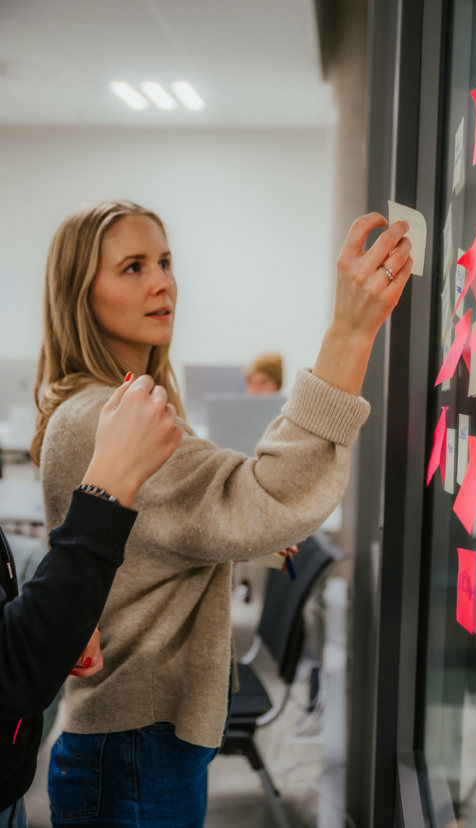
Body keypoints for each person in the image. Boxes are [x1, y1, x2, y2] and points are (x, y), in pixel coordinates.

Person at [31, 200, 412, 827]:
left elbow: (138, 542)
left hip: (144, 739)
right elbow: (262, 495)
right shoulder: (100, 418)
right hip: (134, 745)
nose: (162, 282)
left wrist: (242, 537)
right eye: (132, 267)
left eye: (165, 261)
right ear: (80, 294)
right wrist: (349, 332)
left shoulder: (117, 403)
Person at [0, 374, 182, 828]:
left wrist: (56, 619)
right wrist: (109, 483)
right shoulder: (80, 416)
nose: (164, 296)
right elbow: (13, 669)